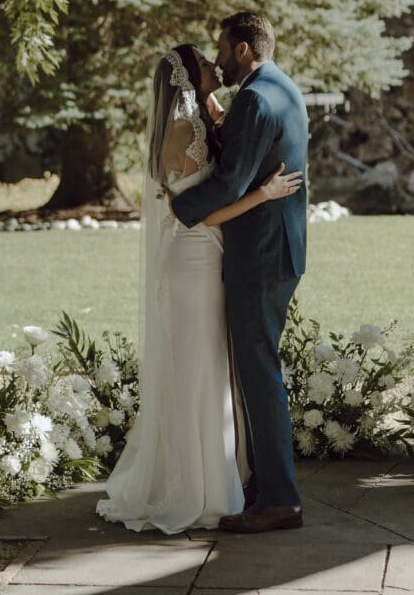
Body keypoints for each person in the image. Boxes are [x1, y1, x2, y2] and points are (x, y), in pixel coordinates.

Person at [96, 43, 301, 534]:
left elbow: (211, 167)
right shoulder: (185, 131)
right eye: (205, 64)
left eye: (215, 57)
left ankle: (215, 477)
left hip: (205, 256)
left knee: (209, 367)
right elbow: (203, 211)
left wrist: (214, 112)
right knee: (200, 369)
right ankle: (198, 485)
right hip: (194, 258)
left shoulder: (196, 124)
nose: (215, 64)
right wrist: (264, 193)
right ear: (188, 79)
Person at [172, 11, 308, 534]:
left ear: (244, 49)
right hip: (282, 249)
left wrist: (178, 207)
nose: (219, 57)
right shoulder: (281, 87)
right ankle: (262, 485)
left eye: (223, 48)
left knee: (259, 372)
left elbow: (231, 184)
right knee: (257, 368)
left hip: (259, 254)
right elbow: (255, 154)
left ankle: (279, 500)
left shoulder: (252, 99)